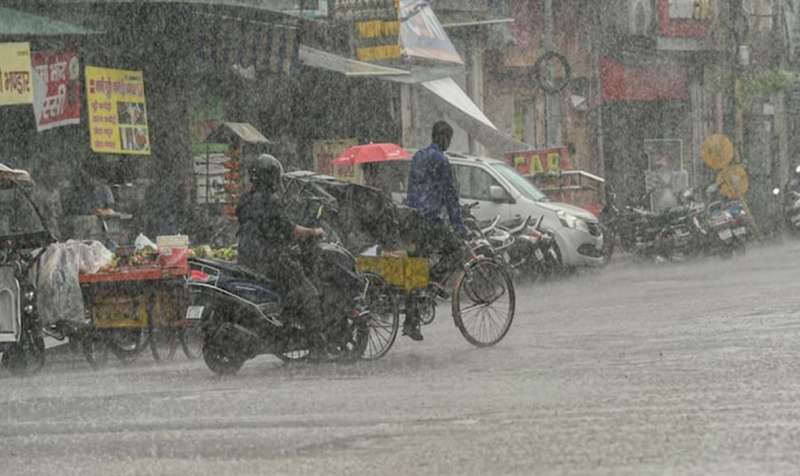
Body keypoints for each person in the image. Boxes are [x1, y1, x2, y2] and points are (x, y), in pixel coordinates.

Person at [236, 154, 328, 356]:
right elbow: (290, 229)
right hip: (272, 259)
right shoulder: (271, 201)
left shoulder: (245, 200)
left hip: (246, 258)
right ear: (272, 177)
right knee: (309, 295)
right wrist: (314, 231)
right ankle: (318, 349)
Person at [405, 121, 468, 341]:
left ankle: (411, 321)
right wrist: (458, 225)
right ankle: (434, 282)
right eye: (448, 139)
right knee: (457, 251)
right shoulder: (441, 160)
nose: (448, 143)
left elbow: (412, 188)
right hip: (430, 219)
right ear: (442, 137)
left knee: (415, 267)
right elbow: (450, 196)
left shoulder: (418, 156)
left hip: (413, 219)